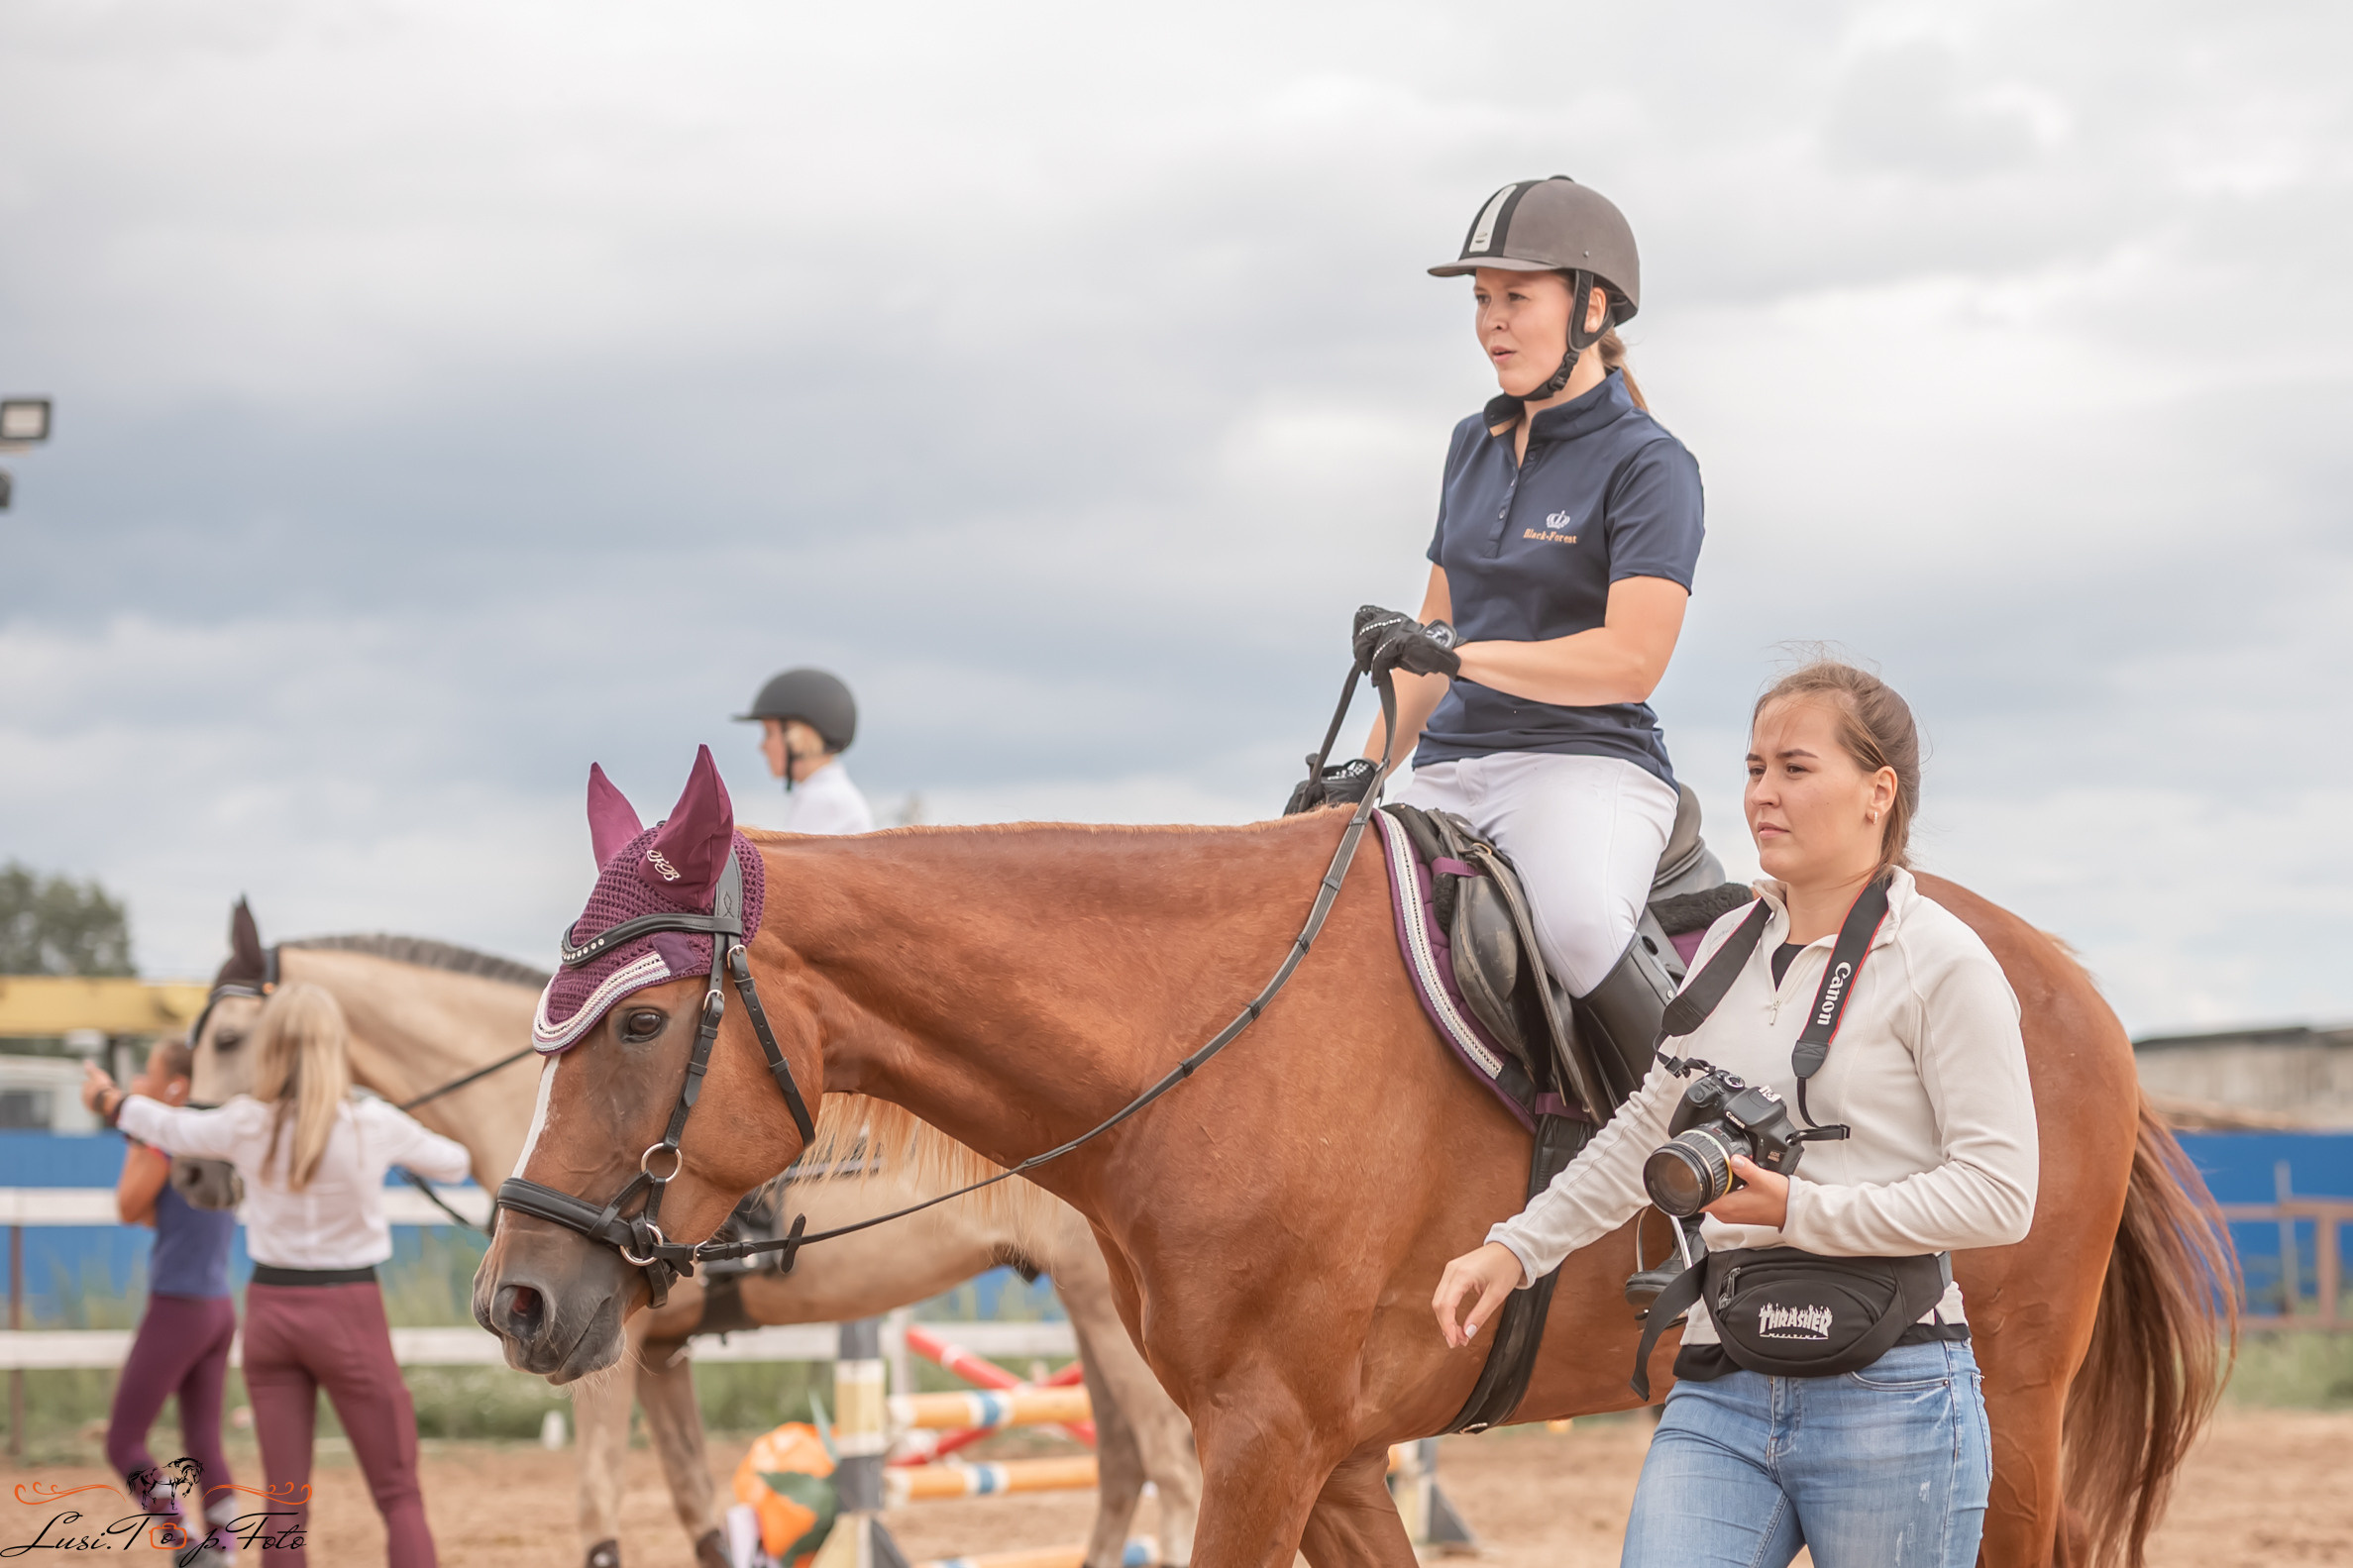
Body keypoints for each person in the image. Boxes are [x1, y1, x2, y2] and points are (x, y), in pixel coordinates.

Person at [1431, 661, 2038, 1567]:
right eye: (1754, 768)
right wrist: (1514, 1247)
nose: (1762, 794)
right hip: (1720, 1380)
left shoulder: (1943, 961)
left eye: (1795, 768)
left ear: (1879, 792)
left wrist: (1800, 1212)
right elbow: (1645, 1127)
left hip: (1894, 1397)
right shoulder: (1724, 942)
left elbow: (2000, 1197)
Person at [1321, 175, 1703, 1055]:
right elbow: (1428, 644)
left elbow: (1629, 662)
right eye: (1482, 299)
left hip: (1582, 768)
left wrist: (1464, 659)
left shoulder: (1652, 466)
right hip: (1453, 768)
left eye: (1516, 298)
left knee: (1574, 926)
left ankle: (1707, 1145)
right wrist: (1363, 775)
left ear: (1592, 308)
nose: (1491, 320)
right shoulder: (1471, 444)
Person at [83, 985, 471, 1568]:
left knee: (286, 1507)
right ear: (335, 1048)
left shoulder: (246, 1122)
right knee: (397, 1494)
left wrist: (111, 1101)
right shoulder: (373, 1124)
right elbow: (456, 1163)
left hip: (270, 1310)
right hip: (349, 1312)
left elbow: (168, 1127)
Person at [103, 1036, 238, 1555]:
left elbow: (127, 1206)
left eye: (148, 1072)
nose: (139, 1082)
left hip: (178, 1305)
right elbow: (149, 1212)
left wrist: (139, 1129)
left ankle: (182, 1540)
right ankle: (222, 1548)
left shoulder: (165, 1145)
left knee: (123, 1442)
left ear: (174, 1088)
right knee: (204, 1441)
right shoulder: (213, 1144)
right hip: (218, 1307)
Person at [734, 666, 875, 834]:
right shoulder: (826, 794)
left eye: (769, 733)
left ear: (800, 735)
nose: (762, 746)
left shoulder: (824, 800)